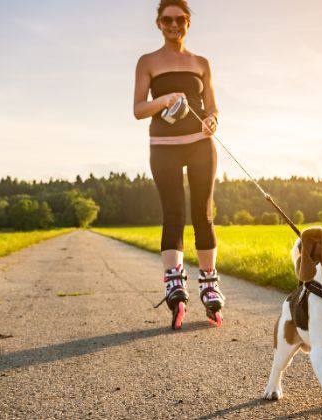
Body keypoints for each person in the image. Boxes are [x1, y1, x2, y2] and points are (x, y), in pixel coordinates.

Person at [133, 0, 224, 329]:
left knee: (204, 213)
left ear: (188, 23)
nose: (174, 25)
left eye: (181, 19)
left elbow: (212, 106)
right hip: (163, 147)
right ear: (158, 22)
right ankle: (175, 289)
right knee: (173, 214)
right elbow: (138, 109)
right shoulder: (148, 61)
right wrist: (165, 100)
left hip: (201, 145)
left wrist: (212, 120)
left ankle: (210, 286)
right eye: (168, 19)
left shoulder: (201, 62)